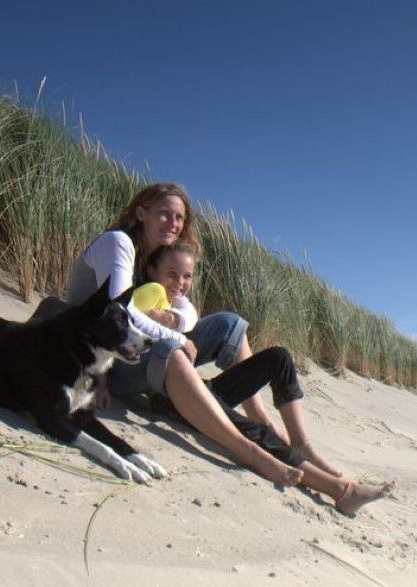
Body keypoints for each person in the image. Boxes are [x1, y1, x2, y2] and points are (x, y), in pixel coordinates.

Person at [63, 183, 391, 514]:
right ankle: (249, 450)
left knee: (230, 324)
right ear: (141, 212)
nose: (173, 223)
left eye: (180, 217)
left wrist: (174, 320)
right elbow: (120, 313)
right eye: (165, 213)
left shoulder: (159, 260)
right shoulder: (118, 243)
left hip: (139, 353)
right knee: (172, 351)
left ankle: (268, 422)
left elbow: (188, 312)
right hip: (103, 361)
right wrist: (175, 336)